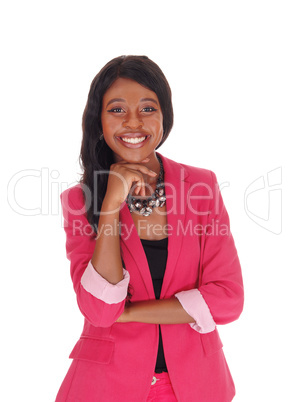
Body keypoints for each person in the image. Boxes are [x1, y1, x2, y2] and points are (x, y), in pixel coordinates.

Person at [55, 55, 244, 402]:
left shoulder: (200, 187)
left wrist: (127, 314)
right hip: (106, 387)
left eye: (147, 108)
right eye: (116, 110)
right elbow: (99, 311)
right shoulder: (79, 201)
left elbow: (228, 300)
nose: (133, 122)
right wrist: (110, 206)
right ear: (98, 120)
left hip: (197, 385)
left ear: (164, 116)